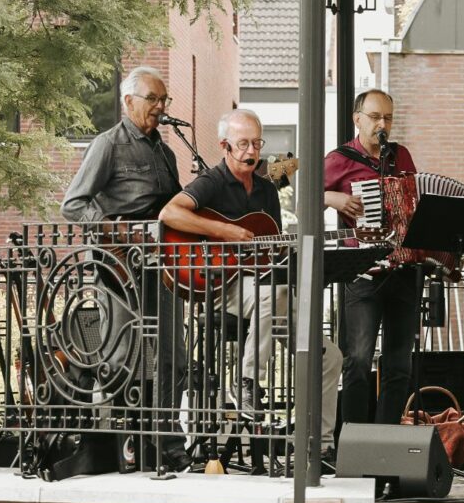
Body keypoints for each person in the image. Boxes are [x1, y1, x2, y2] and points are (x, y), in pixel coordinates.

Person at [159, 109, 342, 460]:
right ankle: (247, 382)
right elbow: (170, 214)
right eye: (243, 144)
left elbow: (269, 249)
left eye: (257, 143)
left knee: (330, 356)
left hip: (266, 296)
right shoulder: (212, 181)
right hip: (217, 284)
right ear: (225, 146)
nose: (251, 151)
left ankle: (321, 445)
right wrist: (226, 231)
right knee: (272, 294)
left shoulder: (266, 190)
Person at [62, 66, 190, 471]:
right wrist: (116, 229)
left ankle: (167, 442)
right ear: (128, 101)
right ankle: (130, 442)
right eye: (152, 98)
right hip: (117, 270)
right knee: (124, 361)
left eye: (163, 99)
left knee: (174, 359)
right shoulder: (108, 145)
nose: (159, 106)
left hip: (163, 268)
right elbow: (73, 204)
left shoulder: (167, 152)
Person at [324, 89, 419, 426]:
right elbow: (303, 191)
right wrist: (332, 196)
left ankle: (386, 441)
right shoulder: (339, 159)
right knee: (358, 361)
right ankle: (352, 440)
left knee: (398, 366)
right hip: (363, 272)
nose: (383, 123)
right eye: (376, 116)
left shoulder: (401, 156)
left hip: (404, 270)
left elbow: (412, 201)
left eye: (388, 118)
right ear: (357, 119)